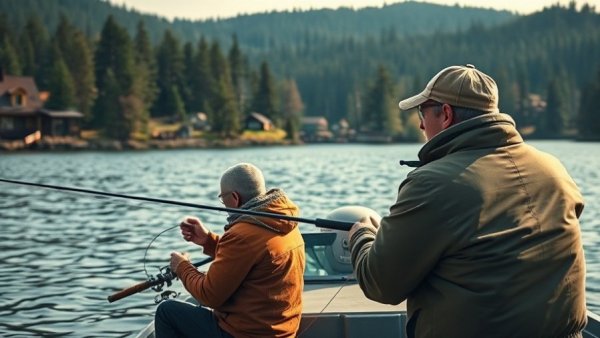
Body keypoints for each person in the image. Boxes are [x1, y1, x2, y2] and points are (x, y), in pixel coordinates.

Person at [349, 64, 587, 337]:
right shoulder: (553, 169)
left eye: (422, 112)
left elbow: (381, 284)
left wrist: (361, 235)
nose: (421, 124)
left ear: (446, 114)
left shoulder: (432, 183)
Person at [154, 163, 305, 338]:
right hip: (282, 331)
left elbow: (208, 295)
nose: (223, 203)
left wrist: (181, 266)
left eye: (222, 197)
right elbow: (253, 255)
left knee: (167, 311)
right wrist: (208, 241)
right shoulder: (283, 222)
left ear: (234, 198)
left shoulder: (242, 234)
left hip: (246, 334)